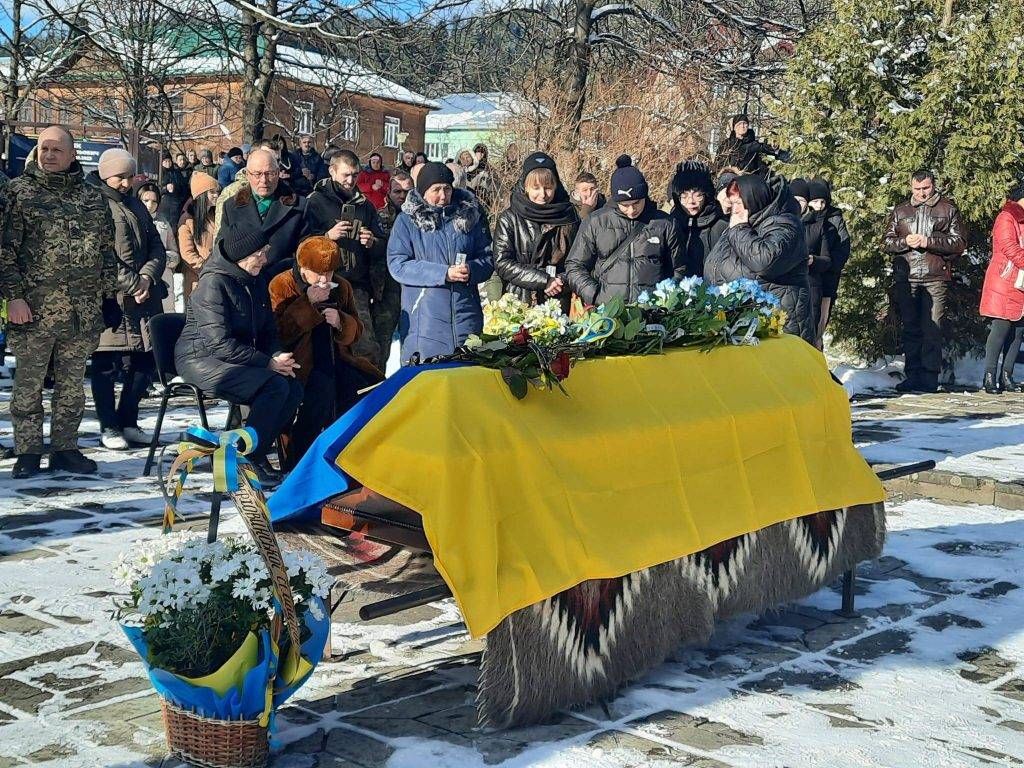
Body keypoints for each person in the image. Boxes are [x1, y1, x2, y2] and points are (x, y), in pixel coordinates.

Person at [0, 126, 123, 478]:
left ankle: (65, 448)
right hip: (33, 310)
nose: (49, 155)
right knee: (29, 384)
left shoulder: (91, 197)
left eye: (57, 149)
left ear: (72, 155)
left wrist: (107, 297)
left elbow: (105, 251)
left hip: (81, 310)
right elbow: (5, 252)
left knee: (71, 386)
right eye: (44, 148)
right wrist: (14, 297)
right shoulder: (19, 193)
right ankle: (27, 451)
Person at [174, 224, 303, 485]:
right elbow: (218, 343)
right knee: (274, 386)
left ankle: (255, 450)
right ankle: (249, 457)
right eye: (260, 254)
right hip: (201, 360)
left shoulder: (254, 280)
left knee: (293, 386)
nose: (265, 260)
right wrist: (268, 363)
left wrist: (278, 355)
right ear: (242, 255)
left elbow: (267, 331)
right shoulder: (213, 284)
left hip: (234, 356)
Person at [269, 236, 383, 466]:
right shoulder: (282, 285)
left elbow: (357, 331)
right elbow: (279, 333)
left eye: (329, 273)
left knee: (369, 390)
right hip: (297, 362)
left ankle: (346, 458)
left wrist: (341, 321)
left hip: (338, 358)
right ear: (303, 268)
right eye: (318, 274)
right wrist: (307, 304)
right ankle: (299, 461)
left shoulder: (342, 287)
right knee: (320, 397)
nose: (324, 279)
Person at [87, 149, 167, 450]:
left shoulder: (136, 203)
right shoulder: (95, 202)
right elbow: (100, 253)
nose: (125, 182)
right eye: (120, 177)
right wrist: (132, 283)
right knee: (106, 364)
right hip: (112, 299)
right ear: (106, 174)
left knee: (145, 361)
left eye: (129, 176)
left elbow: (156, 246)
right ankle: (109, 425)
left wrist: (148, 277)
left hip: (144, 298)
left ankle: (129, 421)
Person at [387, 162, 493, 362]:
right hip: (425, 321)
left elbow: (487, 258)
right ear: (423, 191)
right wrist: (442, 273)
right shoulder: (407, 221)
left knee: (464, 383)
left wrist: (472, 269)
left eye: (447, 189)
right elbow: (398, 265)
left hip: (466, 316)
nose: (443, 196)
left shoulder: (470, 217)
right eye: (436, 190)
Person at [883, 170, 966, 393]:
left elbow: (959, 243)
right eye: (917, 189)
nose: (921, 193)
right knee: (910, 327)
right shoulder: (901, 210)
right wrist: (904, 241)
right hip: (907, 277)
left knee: (932, 328)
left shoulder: (947, 209)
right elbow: (886, 243)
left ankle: (930, 376)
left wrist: (929, 241)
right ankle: (912, 374)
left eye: (925, 188)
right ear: (911, 187)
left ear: (934, 185)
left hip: (935, 276)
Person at [704, 174, 814, 343]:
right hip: (745, 324)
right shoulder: (741, 224)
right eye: (733, 204)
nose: (735, 210)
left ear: (753, 200)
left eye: (739, 203)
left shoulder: (785, 224)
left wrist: (740, 229)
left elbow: (764, 261)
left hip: (778, 328)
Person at [305, 149, 387, 362]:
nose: (350, 181)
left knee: (365, 345)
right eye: (345, 175)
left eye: (355, 174)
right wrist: (326, 236)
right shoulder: (314, 202)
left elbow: (382, 247)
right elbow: (300, 244)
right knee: (323, 347)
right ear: (332, 171)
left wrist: (372, 242)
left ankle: (367, 392)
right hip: (322, 284)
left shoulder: (365, 205)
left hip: (355, 286)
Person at [565, 157, 681, 305]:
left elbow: (678, 269)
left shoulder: (665, 224)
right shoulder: (595, 222)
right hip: (608, 311)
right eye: (624, 205)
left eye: (636, 203)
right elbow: (574, 266)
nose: (631, 210)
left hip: (652, 311)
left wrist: (666, 300)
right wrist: (595, 295)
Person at [493, 152, 580, 312]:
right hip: (520, 302)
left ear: (556, 186)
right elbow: (502, 262)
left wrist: (560, 280)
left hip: (559, 301)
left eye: (548, 188)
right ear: (525, 186)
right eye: (536, 188)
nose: (542, 194)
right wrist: (544, 280)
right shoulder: (509, 218)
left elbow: (579, 261)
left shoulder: (570, 216)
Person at [218, 147, 307, 278]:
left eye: (269, 173)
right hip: (244, 284)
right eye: (257, 174)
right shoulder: (231, 206)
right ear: (247, 175)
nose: (264, 180)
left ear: (278, 173)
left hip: (284, 283)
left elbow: (305, 253)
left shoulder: (299, 206)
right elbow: (222, 250)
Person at [979, 181, 1024, 394]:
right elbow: (1009, 247)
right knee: (1001, 328)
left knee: (1018, 331)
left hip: (1020, 281)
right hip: (1005, 279)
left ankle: (1007, 376)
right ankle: (989, 376)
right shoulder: (1007, 217)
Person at [373, 173, 413, 370]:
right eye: (398, 191)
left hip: (413, 290)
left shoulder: (422, 220)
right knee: (381, 344)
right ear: (388, 192)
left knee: (412, 343)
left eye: (407, 191)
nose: (402, 196)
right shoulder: (378, 217)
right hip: (386, 288)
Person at [667, 159, 728, 278]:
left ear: (707, 194)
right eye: (684, 196)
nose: (691, 201)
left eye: (697, 195)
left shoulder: (722, 226)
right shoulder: (670, 225)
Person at [136, 182, 181, 313]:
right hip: (138, 278)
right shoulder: (130, 220)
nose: (150, 205)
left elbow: (174, 253)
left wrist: (162, 259)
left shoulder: (163, 223)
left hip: (162, 276)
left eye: (154, 201)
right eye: (146, 200)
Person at [815, 178, 851, 338]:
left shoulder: (835, 218)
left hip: (828, 279)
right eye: (815, 201)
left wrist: (828, 265)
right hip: (807, 278)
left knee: (821, 322)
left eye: (822, 202)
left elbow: (843, 246)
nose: (819, 206)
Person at [178, 172, 220, 300]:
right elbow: (187, 253)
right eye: (212, 192)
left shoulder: (215, 215)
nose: (216, 195)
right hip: (197, 278)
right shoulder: (187, 220)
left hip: (216, 275)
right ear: (201, 195)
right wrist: (205, 269)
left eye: (217, 191)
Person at [714, 114, 783, 177]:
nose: (742, 126)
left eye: (745, 123)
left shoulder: (754, 145)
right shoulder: (726, 145)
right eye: (739, 124)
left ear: (748, 126)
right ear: (734, 127)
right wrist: (731, 169)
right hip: (729, 178)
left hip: (749, 180)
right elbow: (718, 164)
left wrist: (774, 144)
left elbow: (770, 151)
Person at [158, 151, 188, 224]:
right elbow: (156, 188)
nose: (168, 163)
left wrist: (180, 198)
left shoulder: (176, 172)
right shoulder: (159, 172)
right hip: (163, 203)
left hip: (175, 203)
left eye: (169, 161)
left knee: (174, 225)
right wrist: (165, 188)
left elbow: (182, 186)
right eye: (165, 161)